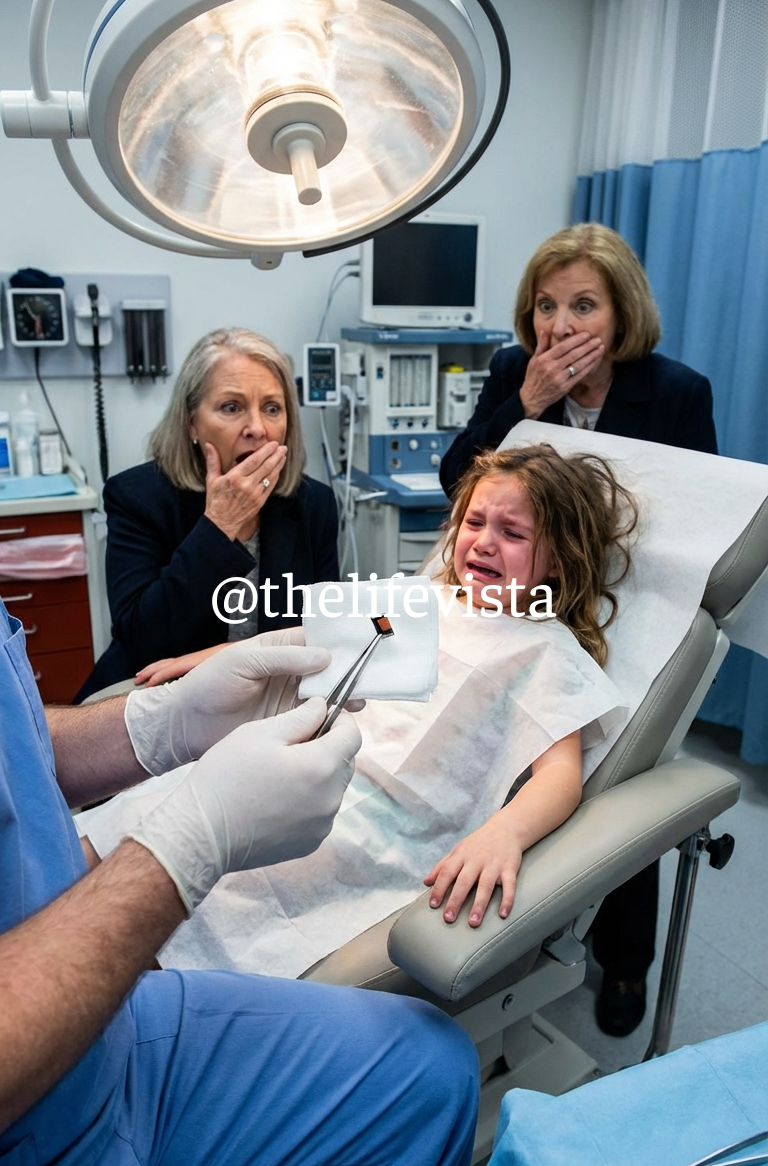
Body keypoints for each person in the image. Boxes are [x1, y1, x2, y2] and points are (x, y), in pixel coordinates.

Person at [0, 619, 480, 1166]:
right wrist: (186, 850)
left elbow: (13, 747)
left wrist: (158, 724)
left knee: (428, 1078)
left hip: (97, 1043)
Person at [83, 445, 634, 983]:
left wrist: (506, 833)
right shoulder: (420, 599)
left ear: (558, 560)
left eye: (512, 533)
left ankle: (109, 987)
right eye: (474, 522)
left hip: (386, 821)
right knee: (153, 813)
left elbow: (560, 774)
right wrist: (204, 661)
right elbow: (311, 638)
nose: (484, 542)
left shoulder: (545, 650)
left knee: (233, 893)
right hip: (309, 761)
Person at [439, 223, 718, 1038]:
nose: (560, 326)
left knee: (615, 774)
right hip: (530, 595)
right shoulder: (512, 373)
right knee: (502, 750)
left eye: (583, 306)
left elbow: (700, 531)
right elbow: (461, 485)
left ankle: (625, 961)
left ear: (622, 311)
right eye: (546, 306)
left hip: (633, 609)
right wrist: (521, 406)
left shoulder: (676, 391)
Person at [76, 328, 339, 697]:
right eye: (231, 407)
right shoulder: (137, 498)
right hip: (158, 697)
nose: (257, 428)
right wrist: (219, 525)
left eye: (272, 409)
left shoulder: (314, 504)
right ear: (192, 424)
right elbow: (143, 641)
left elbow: (327, 633)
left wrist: (220, 656)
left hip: (266, 696)